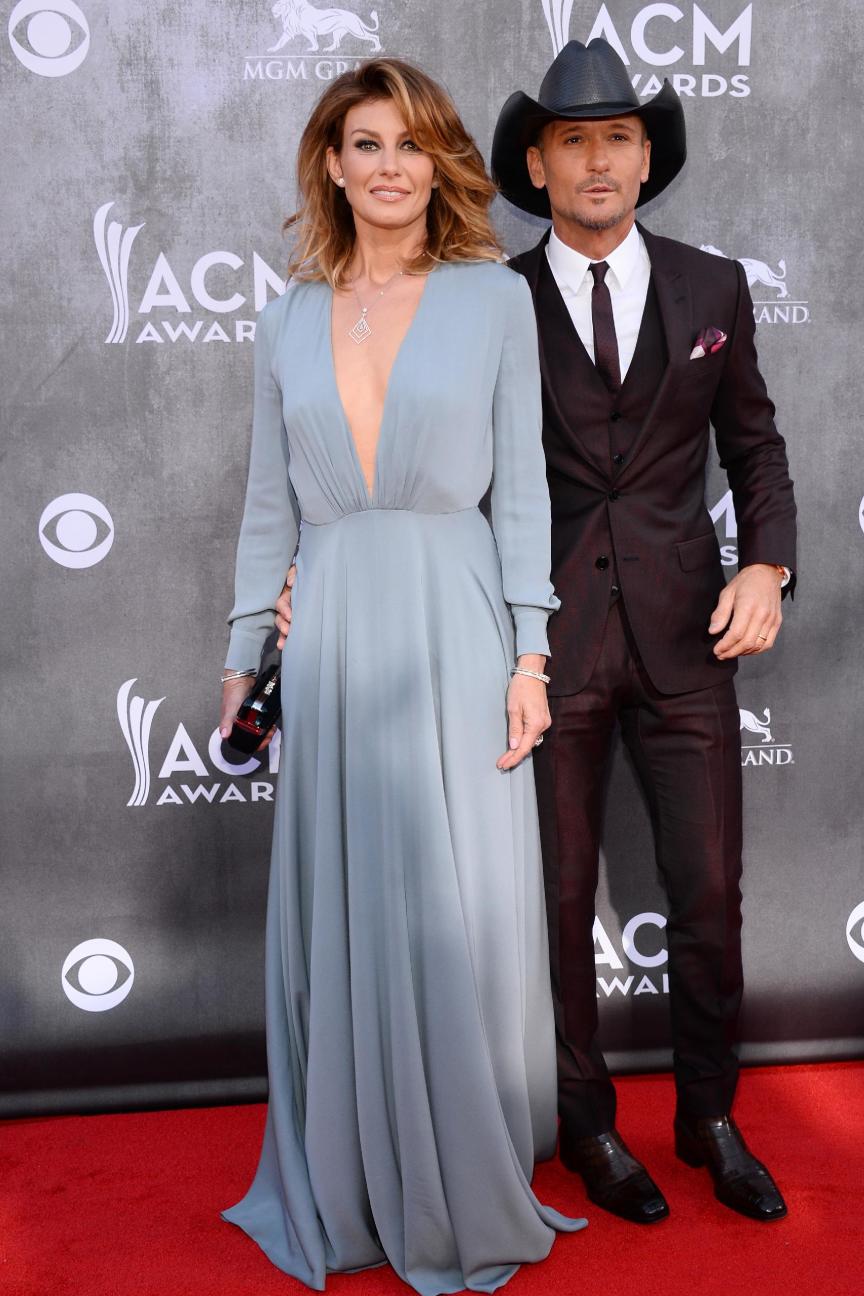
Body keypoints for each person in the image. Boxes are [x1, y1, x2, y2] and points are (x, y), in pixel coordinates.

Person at [276, 41, 797, 1227]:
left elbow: (755, 447)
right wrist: (330, 564)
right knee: (549, 904)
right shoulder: (485, 299)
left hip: (688, 639)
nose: (598, 157)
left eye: (618, 135)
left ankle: (712, 1118)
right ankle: (588, 1125)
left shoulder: (713, 288)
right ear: (535, 162)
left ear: (648, 155)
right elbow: (429, 457)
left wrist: (768, 560)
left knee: (709, 893)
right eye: (574, 139)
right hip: (536, 644)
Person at [218, 57, 583, 1296]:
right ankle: (349, 1172)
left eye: (412, 145)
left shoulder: (490, 300)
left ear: (442, 164)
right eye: (365, 144)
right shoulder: (284, 319)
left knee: (454, 900)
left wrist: (531, 655)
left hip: (457, 616)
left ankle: (458, 1162)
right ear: (331, 163)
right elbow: (270, 505)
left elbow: (523, 490)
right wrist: (238, 659)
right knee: (350, 896)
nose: (389, 167)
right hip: (331, 635)